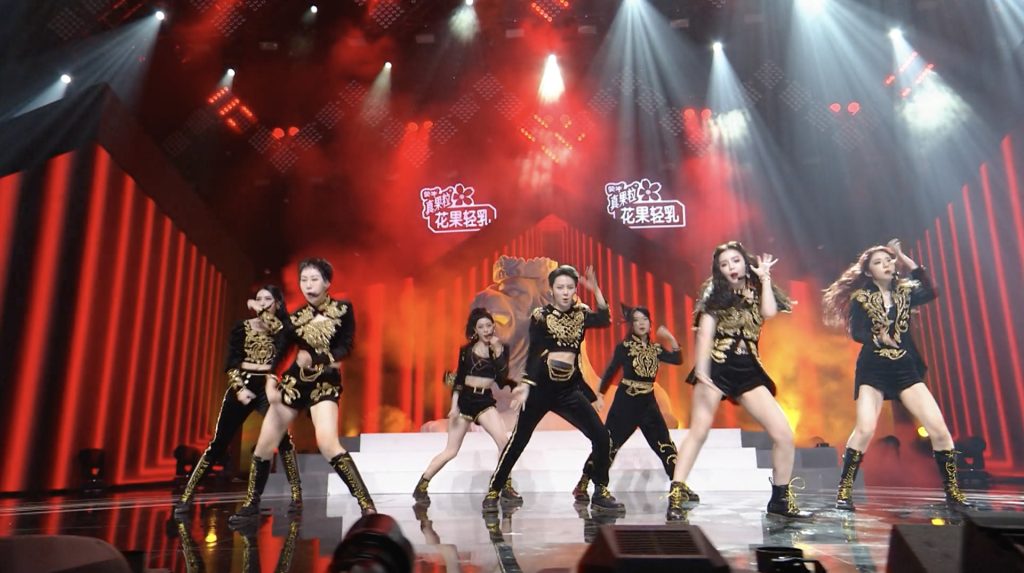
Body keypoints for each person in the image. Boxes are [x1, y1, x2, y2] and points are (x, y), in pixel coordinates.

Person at [822, 239, 971, 511]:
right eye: (878, 262)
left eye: (888, 261)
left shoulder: (906, 291)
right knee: (865, 428)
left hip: (904, 367)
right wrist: (878, 337)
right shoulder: (861, 298)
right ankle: (844, 491)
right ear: (869, 272)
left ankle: (953, 493)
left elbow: (931, 290)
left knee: (939, 429)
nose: (886, 265)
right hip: (874, 368)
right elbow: (857, 332)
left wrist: (905, 258)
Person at [667, 241, 810, 520]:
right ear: (719, 270)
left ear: (745, 262)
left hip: (748, 368)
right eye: (724, 264)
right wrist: (702, 371)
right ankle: (676, 495)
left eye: (735, 261)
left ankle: (780, 500)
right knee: (699, 431)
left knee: (783, 434)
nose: (730, 267)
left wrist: (765, 278)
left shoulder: (758, 291)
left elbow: (769, 313)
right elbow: (705, 333)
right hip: (717, 365)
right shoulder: (715, 293)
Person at [229, 258, 376, 523]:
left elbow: (347, 347)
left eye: (314, 279)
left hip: (324, 383)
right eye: (304, 280)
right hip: (295, 383)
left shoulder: (343, 309)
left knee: (328, 444)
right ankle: (251, 506)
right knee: (263, 445)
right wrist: (271, 377)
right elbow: (282, 349)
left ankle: (366, 504)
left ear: (327, 282)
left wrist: (317, 358)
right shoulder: (296, 317)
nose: (308, 285)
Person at [481, 265, 625, 514]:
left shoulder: (581, 314)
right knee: (518, 441)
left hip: (568, 390)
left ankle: (599, 491)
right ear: (552, 290)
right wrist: (526, 385)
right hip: (541, 389)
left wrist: (596, 290)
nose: (565, 292)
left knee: (602, 438)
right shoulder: (541, 316)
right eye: (560, 288)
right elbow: (534, 352)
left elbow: (605, 319)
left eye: (570, 287)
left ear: (575, 290)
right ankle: (494, 489)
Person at [173, 286, 302, 515]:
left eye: (268, 299)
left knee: (282, 439)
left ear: (278, 303)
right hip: (242, 382)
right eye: (259, 298)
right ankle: (187, 495)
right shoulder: (241, 327)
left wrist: (260, 311)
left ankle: (296, 494)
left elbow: (286, 335)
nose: (262, 302)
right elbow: (232, 362)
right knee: (219, 443)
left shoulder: (283, 328)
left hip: (268, 386)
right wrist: (239, 388)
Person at [571, 304, 685, 502]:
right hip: (626, 403)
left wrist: (669, 337)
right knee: (608, 445)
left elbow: (677, 359)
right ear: (631, 325)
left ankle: (679, 485)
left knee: (665, 444)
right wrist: (599, 395)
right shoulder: (624, 347)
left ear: (650, 324)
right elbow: (611, 371)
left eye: (644, 319)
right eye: (636, 320)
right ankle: (584, 481)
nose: (641, 323)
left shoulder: (655, 349)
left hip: (648, 403)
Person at [412, 308, 522, 504]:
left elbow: (501, 377)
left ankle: (504, 486)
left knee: (504, 443)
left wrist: (498, 352)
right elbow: (459, 380)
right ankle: (422, 485)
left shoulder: (501, 348)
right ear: (475, 330)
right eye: (481, 327)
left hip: (484, 401)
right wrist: (454, 406)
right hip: (465, 401)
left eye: (488, 326)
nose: (486, 330)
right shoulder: (466, 351)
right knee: (451, 451)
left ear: (493, 327)